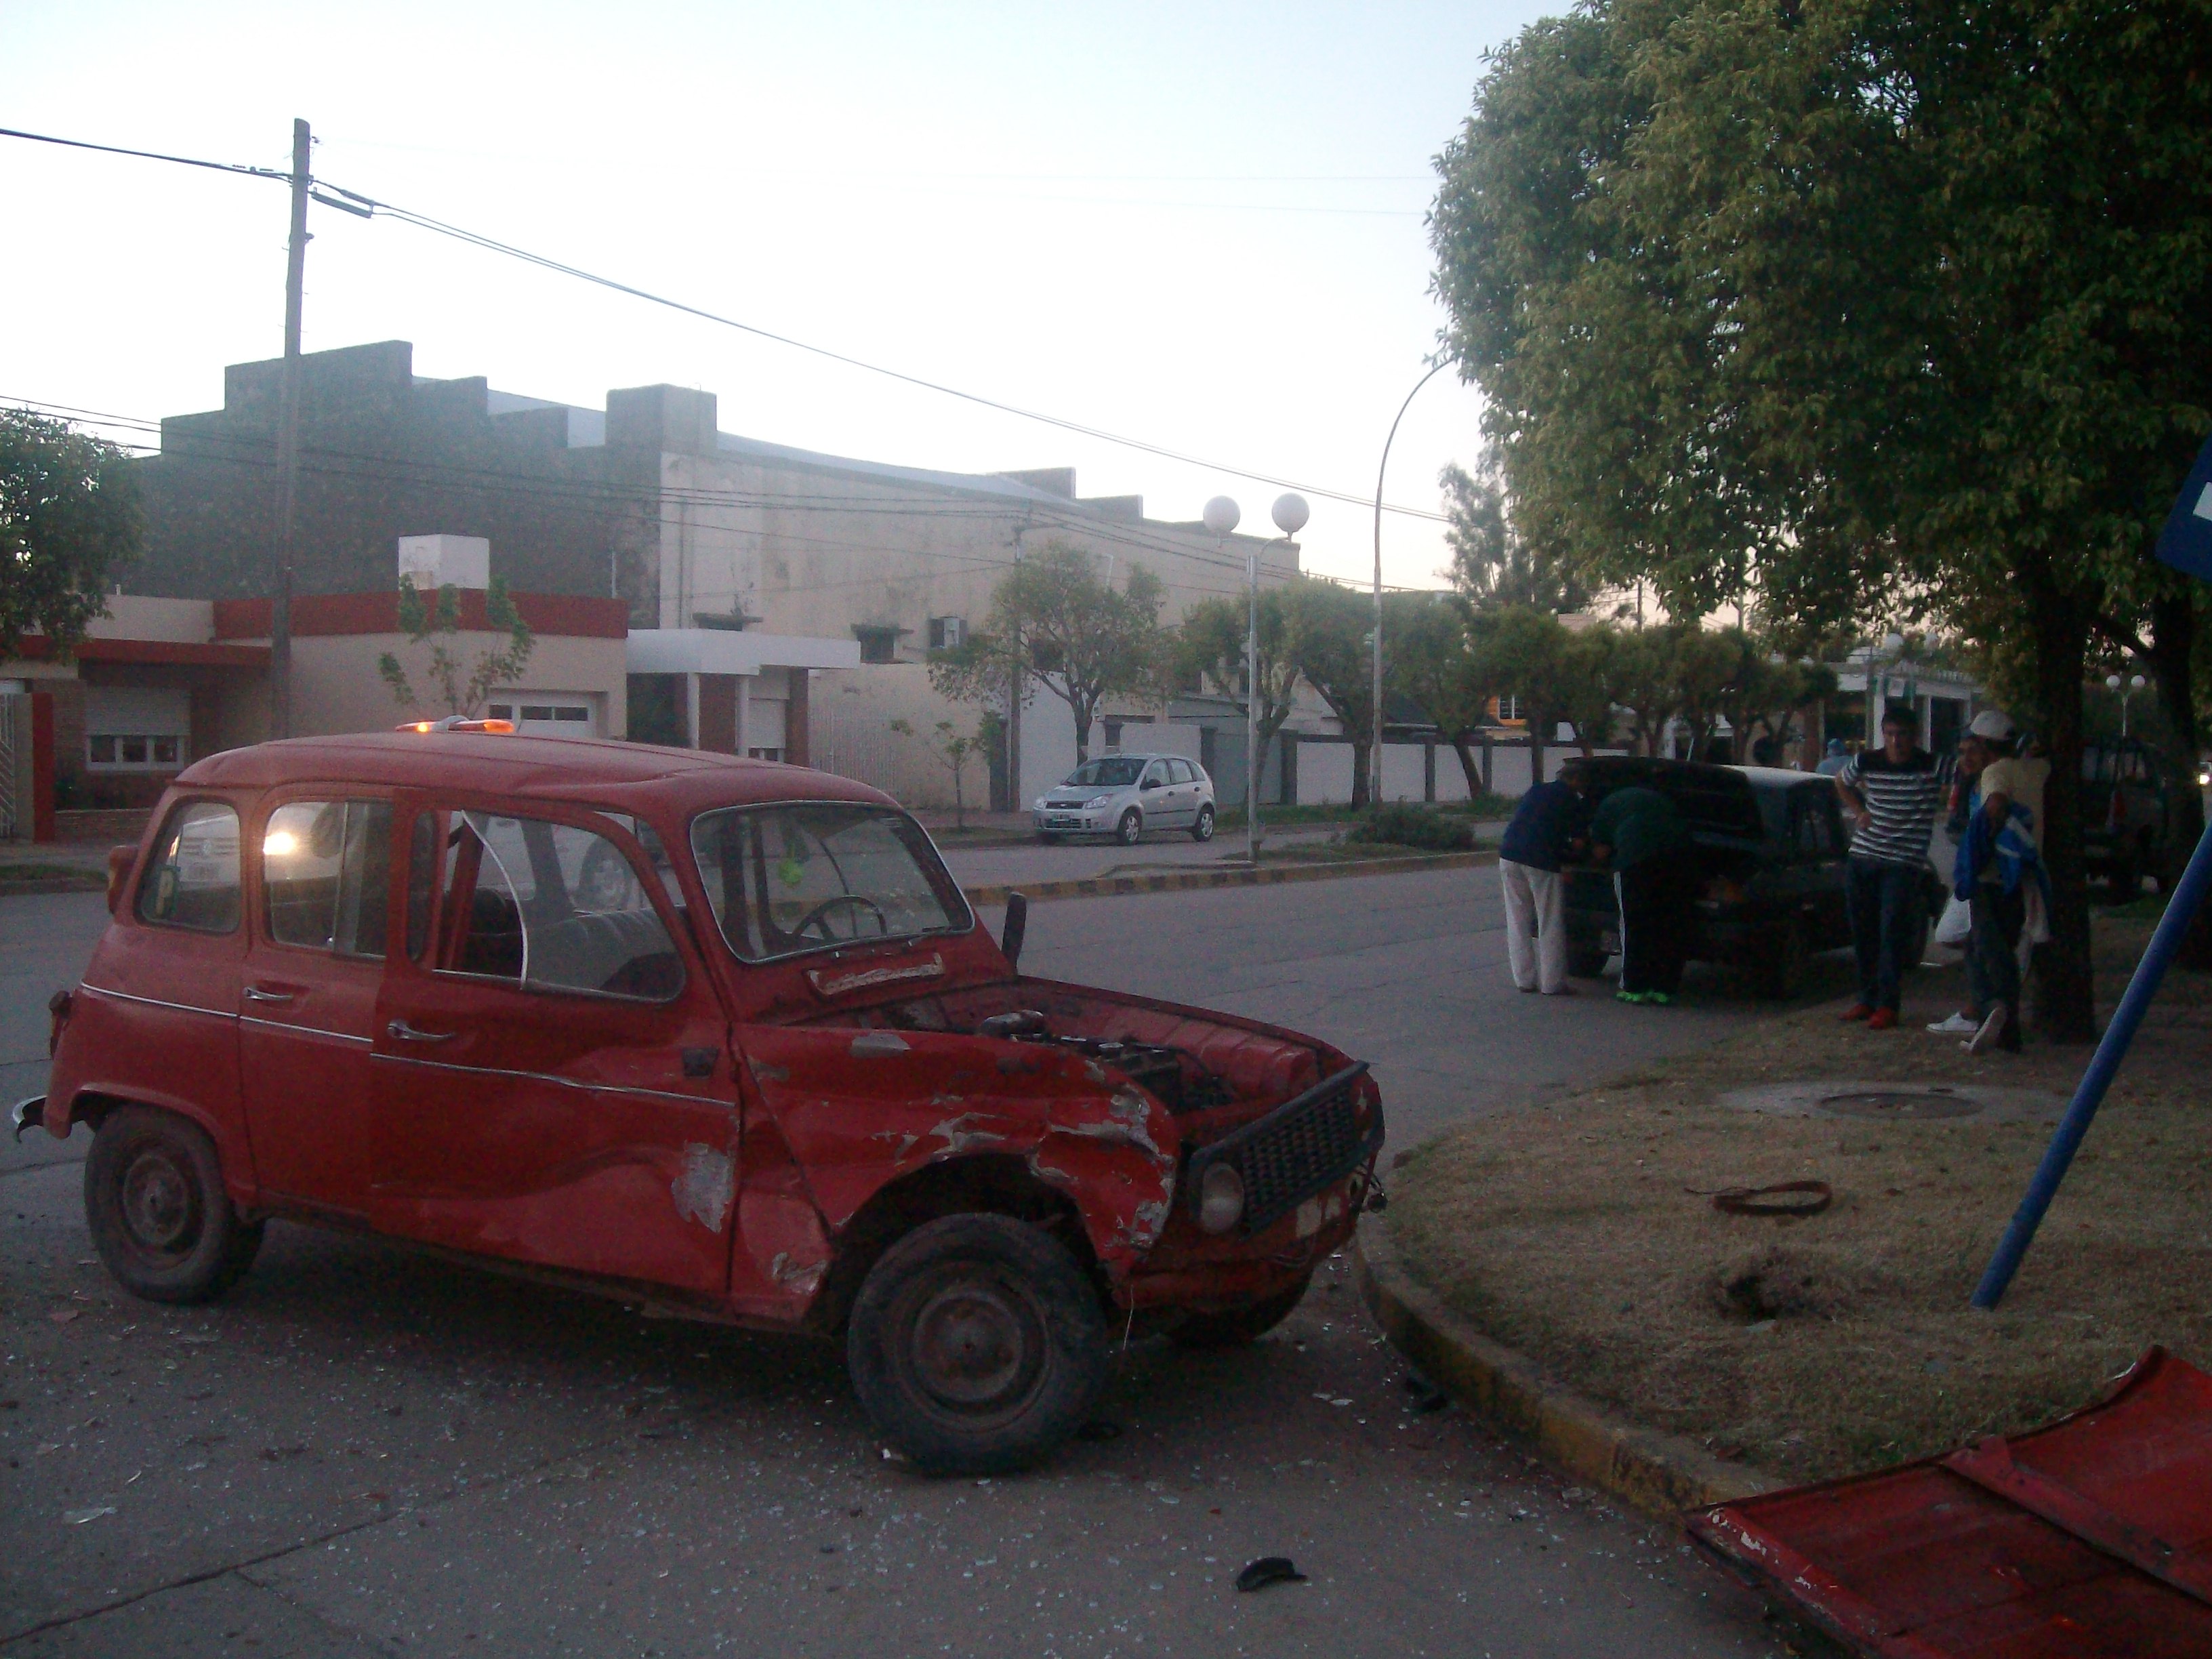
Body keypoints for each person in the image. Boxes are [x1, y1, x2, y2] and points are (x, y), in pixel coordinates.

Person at [1835, 704, 1952, 1029]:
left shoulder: (1933, 765)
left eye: (1902, 735)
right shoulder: (1867, 761)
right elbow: (1841, 782)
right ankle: (1866, 998)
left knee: (1891, 932)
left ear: (1915, 736)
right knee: (1863, 931)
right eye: (1890, 735)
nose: (1896, 742)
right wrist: (1859, 811)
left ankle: (1888, 1004)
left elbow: (1969, 775)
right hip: (1864, 855)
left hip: (1903, 862)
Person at [1954, 710, 2048, 1054]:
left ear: (1985, 744)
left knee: (1988, 949)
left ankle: (1995, 1006)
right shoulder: (2033, 769)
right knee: (1989, 946)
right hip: (2021, 875)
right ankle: (2004, 1030)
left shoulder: (1995, 772)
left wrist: (1985, 839)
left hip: (1993, 874)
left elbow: (1995, 805)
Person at [1586, 782, 1694, 1004]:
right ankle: (1664, 989)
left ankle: (1633, 987)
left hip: (1634, 863)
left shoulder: (1607, 805)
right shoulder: (1662, 801)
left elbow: (1601, 851)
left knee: (1634, 924)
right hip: (1677, 862)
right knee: (1667, 924)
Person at [1498, 761, 1593, 996]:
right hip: (1541, 861)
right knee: (1550, 921)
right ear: (1576, 781)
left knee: (1517, 919)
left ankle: (1524, 980)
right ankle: (1553, 983)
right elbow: (1579, 843)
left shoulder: (1537, 789)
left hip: (1509, 855)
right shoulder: (1572, 800)